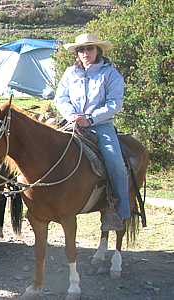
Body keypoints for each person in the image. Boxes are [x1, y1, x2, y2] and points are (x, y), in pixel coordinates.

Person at [54, 33, 127, 231]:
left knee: (116, 163)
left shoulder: (111, 74)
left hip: (100, 125)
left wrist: (91, 119)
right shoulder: (70, 73)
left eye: (90, 49)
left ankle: (119, 211)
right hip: (73, 122)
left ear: (98, 51)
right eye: (81, 50)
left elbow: (115, 103)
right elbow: (61, 98)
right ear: (77, 53)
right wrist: (72, 116)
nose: (85, 53)